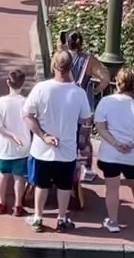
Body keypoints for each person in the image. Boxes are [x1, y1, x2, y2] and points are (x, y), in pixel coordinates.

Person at [23, 49, 92, 232]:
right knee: (64, 186)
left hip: (42, 148)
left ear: (54, 65)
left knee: (41, 184)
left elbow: (27, 115)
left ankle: (38, 217)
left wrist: (43, 135)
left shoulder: (41, 88)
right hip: (67, 149)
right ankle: (61, 218)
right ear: (71, 68)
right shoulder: (78, 93)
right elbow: (85, 118)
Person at [93, 66, 134, 233]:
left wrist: (116, 143)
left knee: (112, 188)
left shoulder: (106, 102)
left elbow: (101, 128)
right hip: (133, 155)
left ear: (117, 83)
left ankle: (113, 221)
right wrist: (133, 143)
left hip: (111, 154)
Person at [64, 30, 110, 182]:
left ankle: (66, 166)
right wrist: (95, 91)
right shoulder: (89, 60)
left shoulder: (61, 57)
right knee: (84, 138)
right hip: (84, 104)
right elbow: (105, 78)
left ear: (66, 42)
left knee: (65, 134)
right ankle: (87, 170)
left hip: (64, 103)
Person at [0, 67, 31, 216]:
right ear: (23, 84)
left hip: (4, 147)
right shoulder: (26, 102)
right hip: (23, 146)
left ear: (8, 82)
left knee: (2, 174)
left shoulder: (0, 102)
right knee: (19, 177)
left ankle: (1, 203)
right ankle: (18, 205)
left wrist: (10, 134)